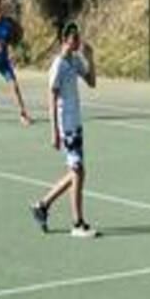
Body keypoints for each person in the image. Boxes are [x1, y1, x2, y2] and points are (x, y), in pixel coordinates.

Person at [30, 23, 96, 238]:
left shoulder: (75, 60)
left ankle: (42, 205)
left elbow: (92, 82)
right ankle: (77, 223)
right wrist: (54, 132)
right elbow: (51, 98)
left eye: (78, 36)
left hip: (76, 123)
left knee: (77, 172)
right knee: (77, 171)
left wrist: (90, 58)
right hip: (66, 125)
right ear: (65, 40)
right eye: (74, 37)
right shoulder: (58, 65)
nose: (78, 40)